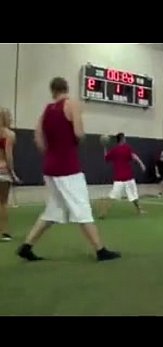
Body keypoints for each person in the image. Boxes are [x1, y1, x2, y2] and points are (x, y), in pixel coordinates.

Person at [16, 77, 120, 262]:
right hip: (68, 168)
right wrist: (77, 140)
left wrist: (52, 150)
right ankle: (100, 250)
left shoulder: (46, 111)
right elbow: (79, 133)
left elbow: (38, 140)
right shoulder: (72, 105)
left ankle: (26, 246)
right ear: (66, 88)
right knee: (82, 208)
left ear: (52, 90)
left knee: (53, 210)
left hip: (50, 167)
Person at [98, 132, 146, 218]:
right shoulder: (127, 148)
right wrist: (141, 164)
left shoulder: (114, 150)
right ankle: (139, 210)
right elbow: (133, 156)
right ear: (122, 139)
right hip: (128, 177)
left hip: (119, 178)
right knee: (134, 195)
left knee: (113, 196)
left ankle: (103, 213)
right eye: (124, 138)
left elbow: (106, 158)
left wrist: (104, 148)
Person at [0, 108, 21, 241]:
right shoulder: (9, 134)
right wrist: (12, 173)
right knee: (2, 202)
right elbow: (8, 156)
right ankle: (4, 232)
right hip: (2, 171)